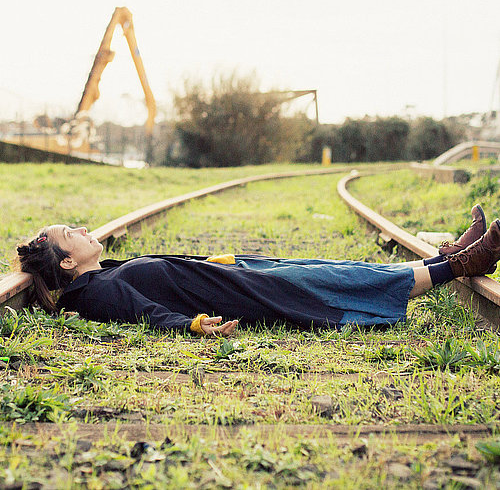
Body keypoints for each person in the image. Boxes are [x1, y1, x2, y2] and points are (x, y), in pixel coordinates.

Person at [16, 205, 500, 337]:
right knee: (339, 283)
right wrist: (191, 325)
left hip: (238, 274)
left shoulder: (101, 274)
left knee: (340, 268)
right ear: (67, 261)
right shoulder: (91, 293)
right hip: (244, 292)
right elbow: (141, 311)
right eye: (71, 233)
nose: (83, 229)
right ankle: (463, 264)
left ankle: (449, 257)